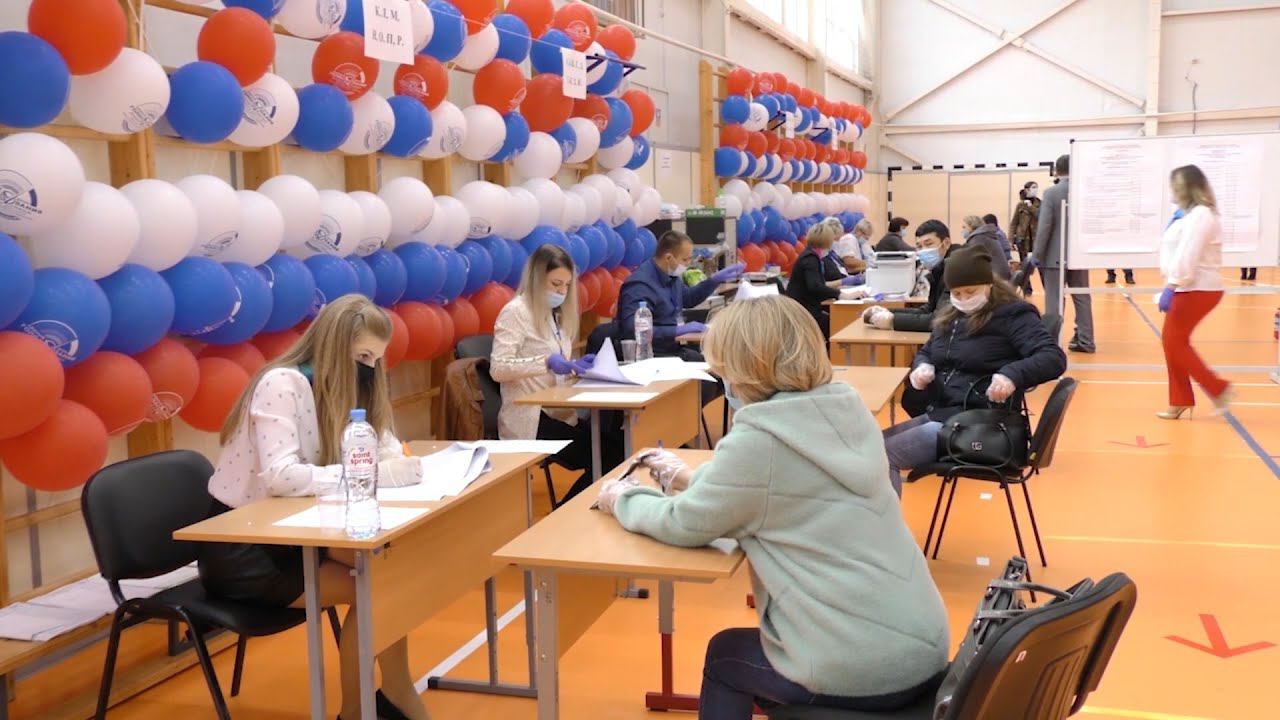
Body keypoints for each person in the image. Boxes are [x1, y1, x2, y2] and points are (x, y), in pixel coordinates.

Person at [594, 296, 950, 720]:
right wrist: (686, 477)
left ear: (746, 369)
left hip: (860, 667)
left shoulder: (760, 440)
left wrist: (624, 498)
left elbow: (684, 522)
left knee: (725, 656)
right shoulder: (845, 409)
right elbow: (768, 486)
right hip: (922, 643)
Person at [202, 295, 430, 720]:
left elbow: (383, 447)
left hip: (298, 531)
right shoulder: (281, 384)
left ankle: (393, 695)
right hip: (244, 549)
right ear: (332, 347)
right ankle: (361, 710)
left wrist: (394, 460)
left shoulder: (347, 386)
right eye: (363, 357)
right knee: (376, 591)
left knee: (389, 575)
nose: (370, 368)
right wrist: (373, 474)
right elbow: (282, 477)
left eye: (377, 359)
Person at [882, 247, 1067, 492]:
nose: (964, 298)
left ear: (989, 284)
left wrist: (1012, 375)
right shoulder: (951, 316)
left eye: (971, 291)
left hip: (981, 425)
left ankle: (884, 519)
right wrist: (922, 366)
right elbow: (928, 351)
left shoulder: (1013, 315)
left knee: (881, 456)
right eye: (957, 293)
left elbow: (1053, 358)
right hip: (946, 414)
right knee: (870, 447)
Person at [491, 244, 623, 500]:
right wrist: (546, 362)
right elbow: (499, 368)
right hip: (531, 418)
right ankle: (566, 513)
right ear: (537, 278)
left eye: (566, 285)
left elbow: (554, 367)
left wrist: (576, 367)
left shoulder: (554, 315)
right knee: (608, 458)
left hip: (559, 412)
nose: (562, 291)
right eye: (556, 284)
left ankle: (572, 510)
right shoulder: (515, 312)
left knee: (618, 449)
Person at [1156, 164, 1234, 419]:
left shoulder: (1201, 215)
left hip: (1198, 287)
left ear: (1187, 188)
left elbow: (1188, 253)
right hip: (1188, 286)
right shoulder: (1187, 215)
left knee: (1174, 342)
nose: (1173, 191)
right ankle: (1180, 399)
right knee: (1172, 343)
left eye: (1176, 186)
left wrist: (1173, 284)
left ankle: (1218, 388)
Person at [617, 230, 746, 360]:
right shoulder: (640, 285)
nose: (689, 263)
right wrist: (677, 330)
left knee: (720, 355)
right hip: (652, 354)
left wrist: (713, 281)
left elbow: (688, 298)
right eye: (685, 259)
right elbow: (632, 328)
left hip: (673, 347)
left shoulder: (671, 276)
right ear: (668, 258)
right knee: (711, 362)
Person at [1032, 154, 1095, 353]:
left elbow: (1045, 227)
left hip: (1054, 256)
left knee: (1054, 300)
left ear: (1056, 171)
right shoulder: (1084, 191)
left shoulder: (1051, 193)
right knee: (1082, 298)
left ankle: (1051, 341)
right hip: (1080, 255)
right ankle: (1086, 340)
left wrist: (1037, 255)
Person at [862, 219, 954, 333]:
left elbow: (940, 319)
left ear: (946, 243)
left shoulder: (955, 271)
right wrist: (887, 312)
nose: (923, 251)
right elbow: (928, 310)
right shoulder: (940, 269)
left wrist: (892, 321)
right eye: (919, 246)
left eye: (929, 244)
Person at [785, 218, 858, 337]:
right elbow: (815, 286)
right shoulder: (810, 259)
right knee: (836, 327)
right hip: (803, 310)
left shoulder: (811, 256)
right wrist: (840, 294)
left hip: (805, 306)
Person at [1010, 186, 1041, 296]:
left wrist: (1030, 207)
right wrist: (1011, 240)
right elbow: (1014, 223)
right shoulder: (1020, 205)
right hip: (1023, 240)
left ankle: (1047, 288)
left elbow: (1039, 216)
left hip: (1037, 240)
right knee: (1025, 266)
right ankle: (1027, 290)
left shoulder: (1040, 204)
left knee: (1041, 266)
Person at [960, 215, 1012, 279]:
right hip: (1001, 276)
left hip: (996, 279)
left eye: (964, 227)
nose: (962, 230)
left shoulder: (978, 238)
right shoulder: (984, 235)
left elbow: (970, 262)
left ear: (972, 227)